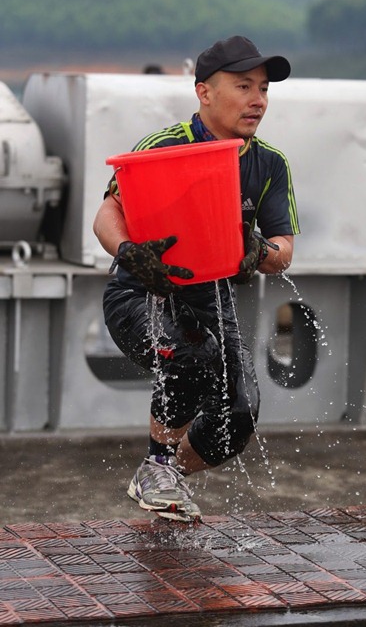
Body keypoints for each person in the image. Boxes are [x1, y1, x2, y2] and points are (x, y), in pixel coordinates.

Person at [93, 35, 300, 523]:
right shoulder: (163, 147)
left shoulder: (269, 164)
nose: (258, 100)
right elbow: (107, 211)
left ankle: (162, 474)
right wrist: (128, 251)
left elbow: (284, 251)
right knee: (187, 354)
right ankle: (159, 464)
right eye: (244, 85)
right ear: (204, 92)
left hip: (210, 297)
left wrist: (258, 251)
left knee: (239, 414)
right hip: (141, 290)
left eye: (265, 89)